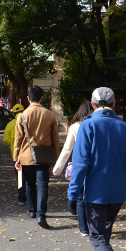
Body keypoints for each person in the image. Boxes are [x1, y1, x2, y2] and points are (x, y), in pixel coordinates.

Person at [67, 87, 126, 251]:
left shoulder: (87, 126)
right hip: (117, 194)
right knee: (104, 234)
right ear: (114, 104)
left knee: (97, 236)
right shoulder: (125, 128)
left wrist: (72, 194)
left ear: (92, 105)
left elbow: (80, 164)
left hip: (95, 193)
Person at [13, 85, 59, 229]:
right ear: (41, 97)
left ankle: (32, 210)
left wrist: (16, 158)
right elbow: (55, 139)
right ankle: (41, 214)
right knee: (43, 185)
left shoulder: (22, 116)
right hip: (44, 156)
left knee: (29, 184)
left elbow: (18, 139)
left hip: (26, 156)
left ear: (28, 98)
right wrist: (55, 158)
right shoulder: (50, 115)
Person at [53, 100, 95, 236]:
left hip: (80, 165)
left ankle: (83, 229)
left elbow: (67, 149)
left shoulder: (75, 127)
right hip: (96, 166)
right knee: (94, 196)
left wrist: (57, 168)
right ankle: (94, 225)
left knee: (81, 197)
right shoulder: (97, 125)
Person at [3, 103, 26, 206]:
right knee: (30, 177)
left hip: (16, 155)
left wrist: (13, 143)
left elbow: (5, 139)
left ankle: (21, 199)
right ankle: (31, 198)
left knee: (20, 178)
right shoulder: (27, 121)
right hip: (28, 154)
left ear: (14, 114)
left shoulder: (10, 124)